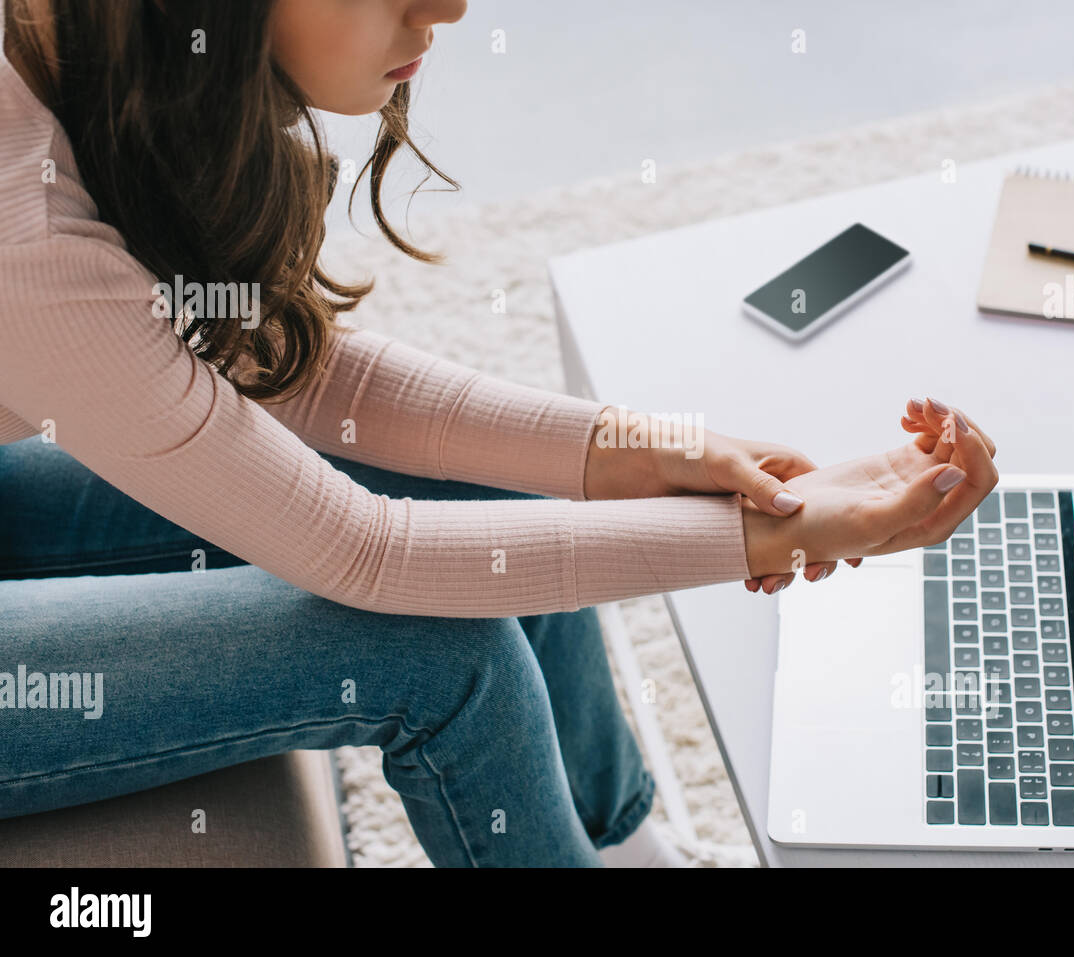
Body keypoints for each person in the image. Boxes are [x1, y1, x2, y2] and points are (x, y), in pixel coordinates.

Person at [0, 0, 997, 867]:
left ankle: (634, 854)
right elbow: (360, 552)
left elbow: (290, 370)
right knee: (443, 662)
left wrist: (647, 449)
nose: (448, 7)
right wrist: (786, 531)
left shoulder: (84, 54)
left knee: (504, 506)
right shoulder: (28, 235)